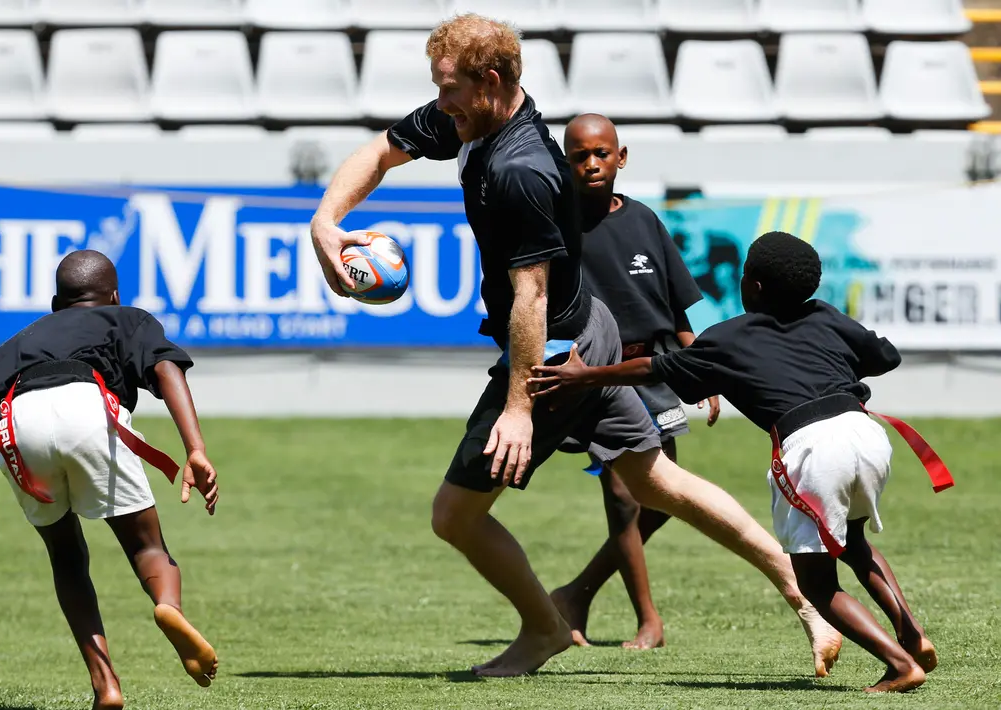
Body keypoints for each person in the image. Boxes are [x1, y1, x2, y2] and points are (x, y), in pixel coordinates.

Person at [310, 13, 841, 678]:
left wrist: (517, 406)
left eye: (448, 89)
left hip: (557, 352)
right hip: (584, 324)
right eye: (437, 89)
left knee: (455, 516)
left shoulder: (522, 171)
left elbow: (529, 299)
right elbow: (381, 151)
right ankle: (810, 601)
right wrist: (326, 221)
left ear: (491, 81)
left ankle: (542, 631)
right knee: (659, 484)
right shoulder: (469, 116)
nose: (439, 103)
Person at [530, 231, 949, 692]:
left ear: (753, 287)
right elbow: (884, 355)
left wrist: (584, 376)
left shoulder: (728, 339)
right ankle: (912, 633)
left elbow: (653, 367)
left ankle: (899, 663)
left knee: (816, 585)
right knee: (853, 543)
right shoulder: (825, 317)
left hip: (813, 449)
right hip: (866, 434)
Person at [0, 250, 219, 709]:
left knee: (66, 558)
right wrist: (195, 449)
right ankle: (169, 606)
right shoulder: (127, 318)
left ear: (54, 303)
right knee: (146, 547)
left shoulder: (22, 338)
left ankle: (105, 684)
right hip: (88, 408)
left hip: (17, 425)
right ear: (114, 295)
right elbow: (166, 369)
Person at [548, 113, 720, 650]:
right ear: (566, 164)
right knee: (624, 494)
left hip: (652, 374)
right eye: (580, 156)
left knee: (663, 497)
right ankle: (649, 621)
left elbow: (679, 313)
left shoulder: (644, 220)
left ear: (621, 158)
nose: (592, 163)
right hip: (594, 374)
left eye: (602, 153)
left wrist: (704, 371)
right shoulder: (556, 227)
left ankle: (575, 593)